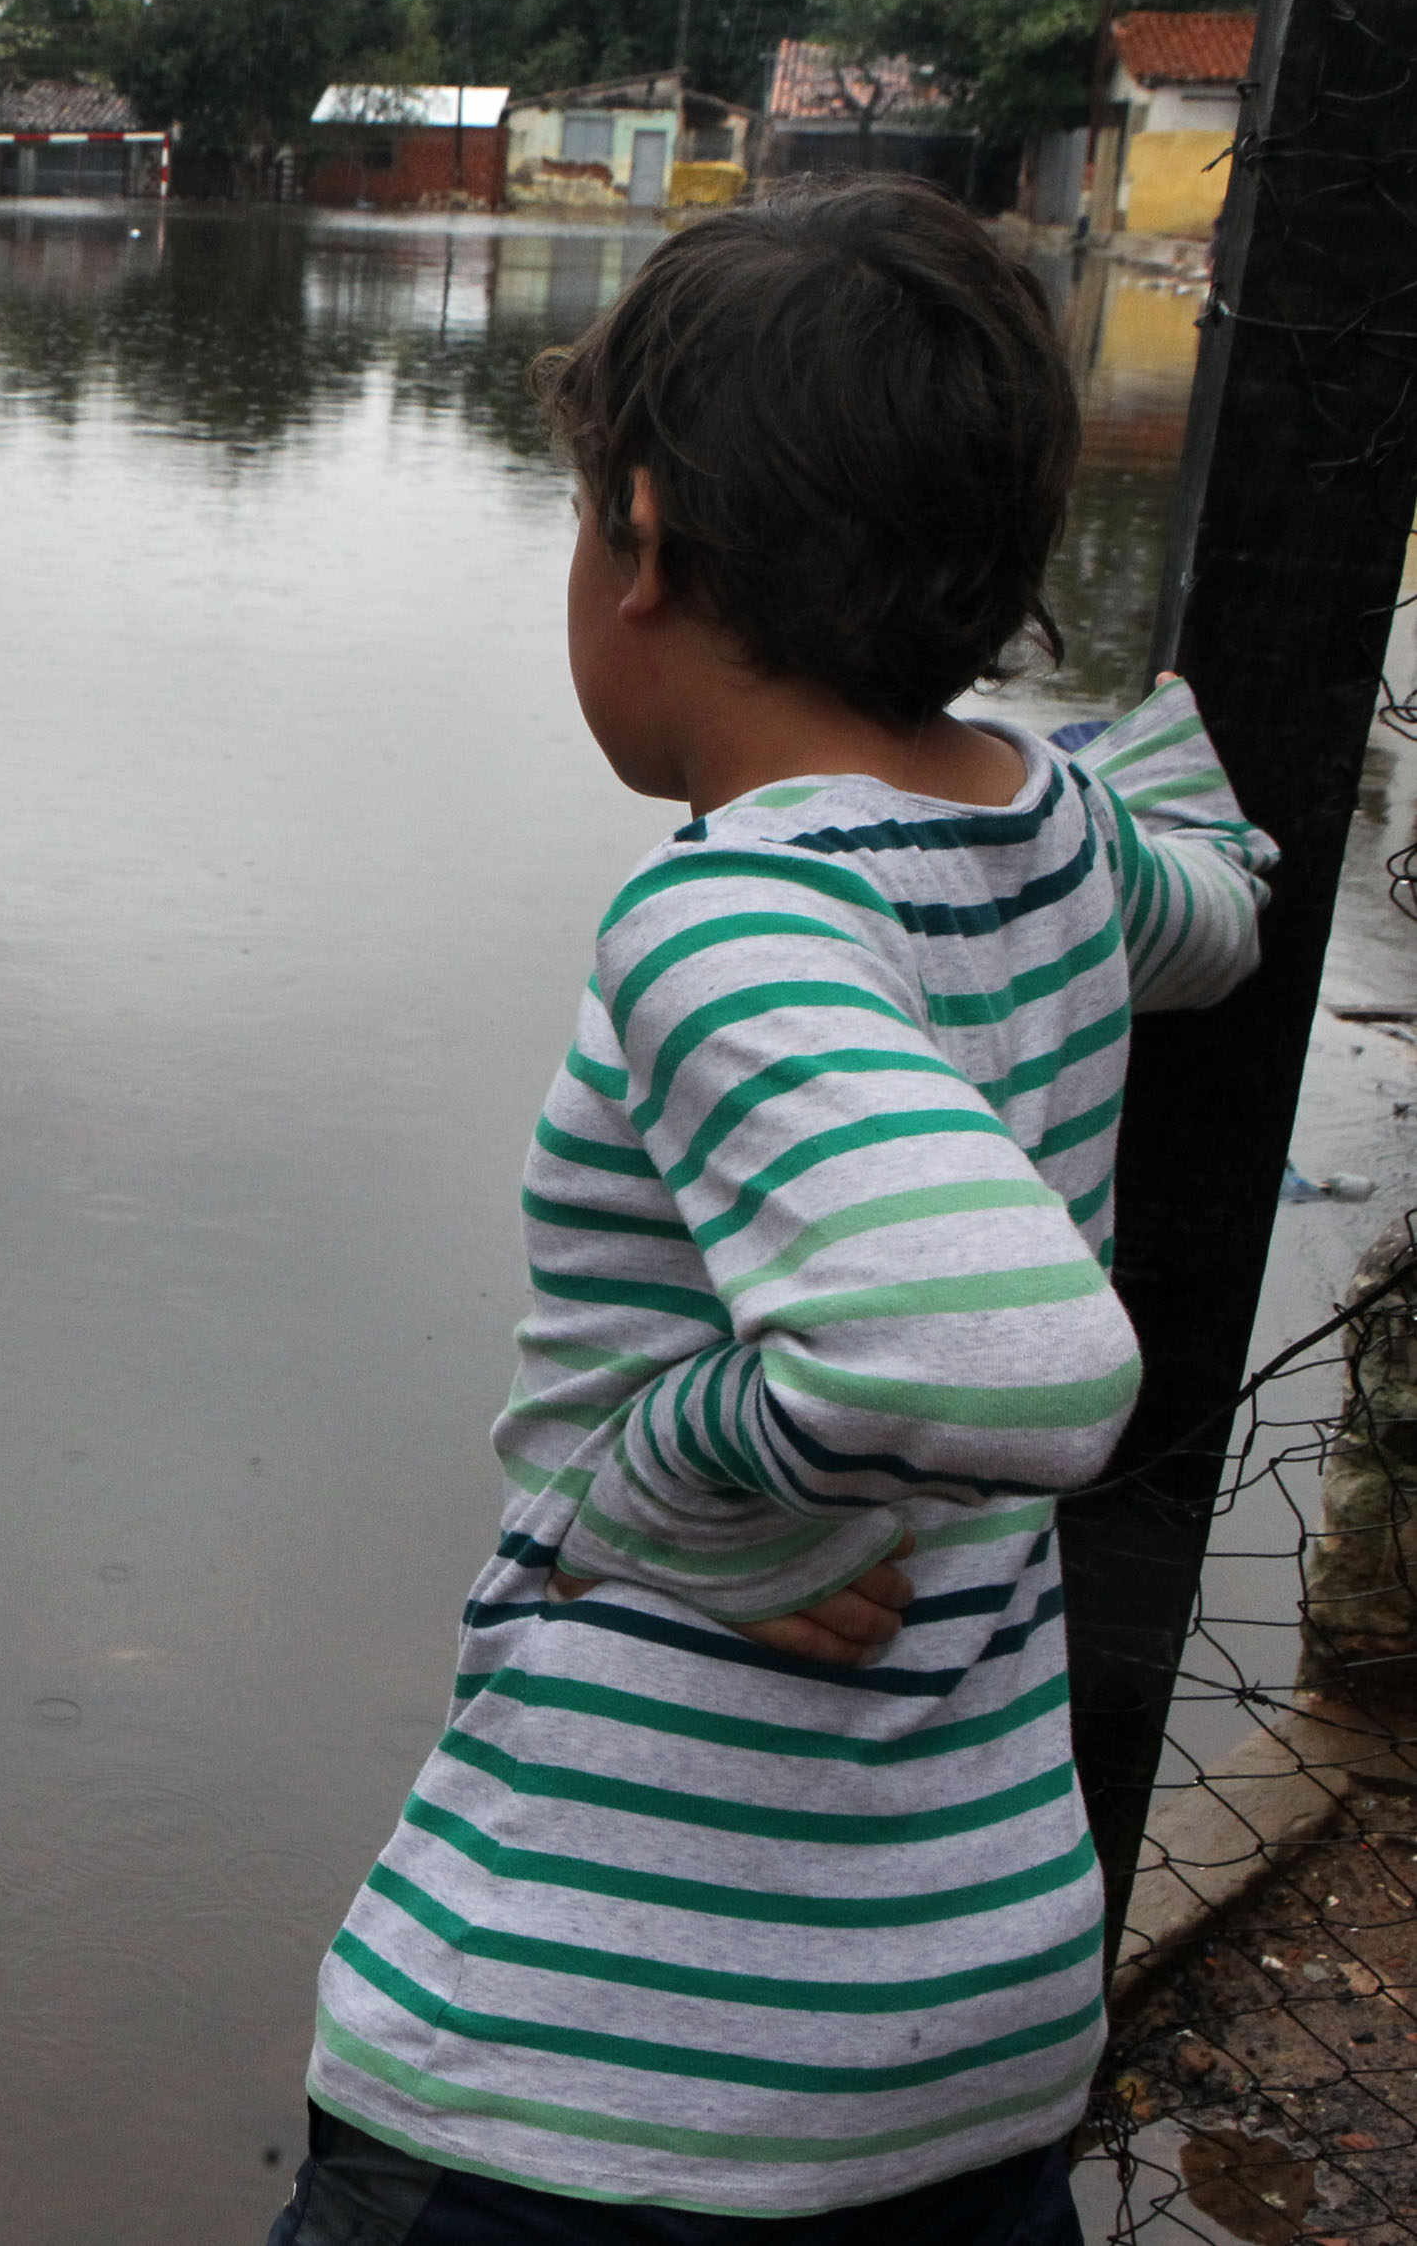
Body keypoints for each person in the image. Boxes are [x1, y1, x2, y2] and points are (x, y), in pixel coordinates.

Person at [274, 176, 1275, 2244]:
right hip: (952, 2036)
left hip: (581, 2074)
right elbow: (1222, 908)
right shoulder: (1060, 844)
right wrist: (1139, 754)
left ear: (639, 535)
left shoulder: (733, 919)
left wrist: (661, 1480)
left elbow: (995, 1355)